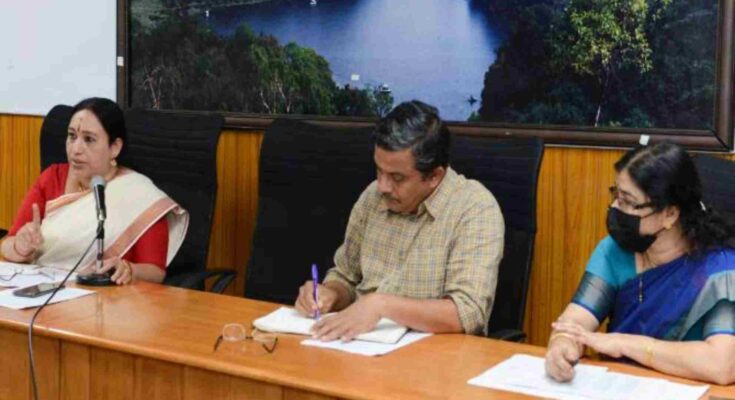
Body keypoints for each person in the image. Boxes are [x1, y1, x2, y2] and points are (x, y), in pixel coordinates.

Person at [294, 100, 504, 340]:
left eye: (397, 177)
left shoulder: (474, 208)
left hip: (432, 354)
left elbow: (468, 313)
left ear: (434, 176)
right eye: (378, 170)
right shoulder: (372, 196)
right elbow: (346, 277)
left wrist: (380, 305)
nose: (382, 186)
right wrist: (329, 294)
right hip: (359, 344)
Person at [545, 142, 735, 385]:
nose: (615, 207)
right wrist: (562, 344)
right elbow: (575, 321)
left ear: (669, 214)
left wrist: (624, 344)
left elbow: (722, 365)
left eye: (627, 201)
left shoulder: (720, 270)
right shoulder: (614, 251)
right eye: (616, 195)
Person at [0, 98, 188, 284]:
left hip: (109, 296)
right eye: (72, 136)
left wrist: (130, 270)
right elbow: (7, 244)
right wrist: (20, 247)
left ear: (114, 147)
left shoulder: (139, 194)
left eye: (89, 139)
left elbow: (155, 272)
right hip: (42, 290)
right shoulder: (52, 178)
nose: (75, 149)